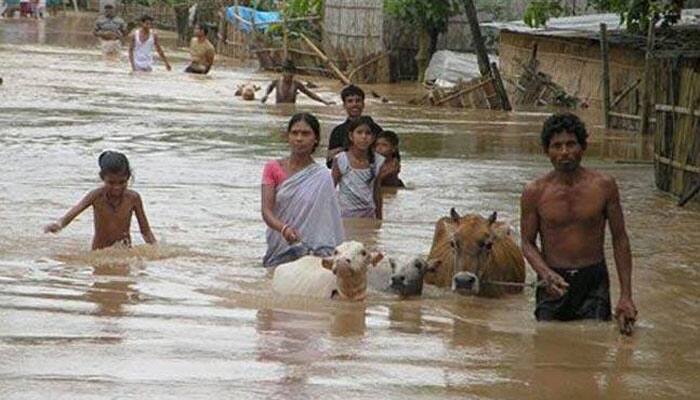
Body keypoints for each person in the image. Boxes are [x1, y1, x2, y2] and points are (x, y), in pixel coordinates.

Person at [520, 113, 637, 332]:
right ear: (547, 151)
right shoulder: (534, 192)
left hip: (593, 282)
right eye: (557, 146)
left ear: (583, 147)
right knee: (547, 350)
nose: (564, 152)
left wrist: (626, 296)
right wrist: (545, 273)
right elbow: (527, 243)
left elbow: (620, 240)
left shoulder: (604, 186)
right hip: (552, 282)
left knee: (595, 346)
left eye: (571, 144)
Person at [261, 113, 344, 267]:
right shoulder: (272, 168)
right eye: (294, 133)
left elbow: (329, 220)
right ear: (288, 137)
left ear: (316, 139)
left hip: (314, 253)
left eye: (305, 134)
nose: (299, 138)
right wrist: (284, 229)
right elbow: (266, 211)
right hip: (280, 247)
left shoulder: (323, 177)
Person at [44, 151, 157, 250]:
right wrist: (59, 225)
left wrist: (156, 250)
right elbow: (76, 210)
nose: (117, 187)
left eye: (122, 182)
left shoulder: (133, 198)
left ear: (128, 178)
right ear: (102, 178)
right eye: (111, 183)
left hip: (124, 252)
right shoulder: (96, 196)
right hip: (99, 252)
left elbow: (145, 231)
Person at [331, 116, 396, 219]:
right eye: (359, 132)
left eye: (368, 133)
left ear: (373, 138)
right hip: (345, 215)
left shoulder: (378, 161)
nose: (364, 137)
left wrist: (379, 219)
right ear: (351, 136)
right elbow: (331, 189)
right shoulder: (341, 159)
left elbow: (377, 191)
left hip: (368, 214)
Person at [326, 84, 381, 168]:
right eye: (350, 101)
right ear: (344, 105)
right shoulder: (338, 131)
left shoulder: (376, 129)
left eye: (358, 101)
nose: (354, 104)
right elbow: (329, 162)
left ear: (363, 104)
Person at [260, 60, 334, 105]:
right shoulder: (277, 82)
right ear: (283, 73)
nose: (289, 75)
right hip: (278, 109)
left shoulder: (296, 84)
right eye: (287, 73)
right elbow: (270, 87)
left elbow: (310, 94)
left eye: (291, 73)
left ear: (293, 73)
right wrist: (266, 95)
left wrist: (324, 102)